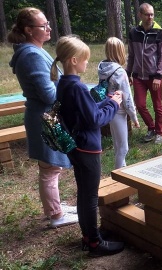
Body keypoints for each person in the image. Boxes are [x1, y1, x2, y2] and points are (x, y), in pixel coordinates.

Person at [51, 35, 124, 257]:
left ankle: (89, 235)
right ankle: (94, 243)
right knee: (90, 196)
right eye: (84, 59)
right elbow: (94, 120)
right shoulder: (78, 87)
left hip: (75, 146)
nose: (87, 63)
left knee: (84, 194)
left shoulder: (64, 83)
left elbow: (86, 111)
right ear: (74, 60)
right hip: (87, 148)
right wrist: (114, 104)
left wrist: (106, 99)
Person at [7, 7, 78, 228]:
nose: (48, 27)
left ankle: (54, 207)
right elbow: (47, 93)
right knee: (49, 168)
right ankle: (56, 216)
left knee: (51, 167)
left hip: (46, 116)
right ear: (29, 30)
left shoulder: (33, 50)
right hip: (44, 118)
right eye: (43, 25)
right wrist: (67, 86)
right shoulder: (31, 55)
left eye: (48, 23)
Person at [126, 2, 162, 144]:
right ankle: (151, 128)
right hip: (138, 76)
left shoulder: (159, 32)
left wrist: (158, 76)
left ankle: (159, 133)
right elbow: (131, 55)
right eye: (147, 14)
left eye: (152, 14)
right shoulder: (133, 33)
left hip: (154, 77)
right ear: (140, 15)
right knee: (140, 105)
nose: (150, 17)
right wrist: (128, 73)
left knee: (158, 106)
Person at [99, 37, 140, 169]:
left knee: (117, 144)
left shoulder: (102, 68)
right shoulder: (120, 71)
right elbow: (127, 97)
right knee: (123, 148)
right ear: (119, 52)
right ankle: (119, 174)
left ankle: (123, 169)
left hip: (108, 108)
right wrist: (134, 117)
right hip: (120, 111)